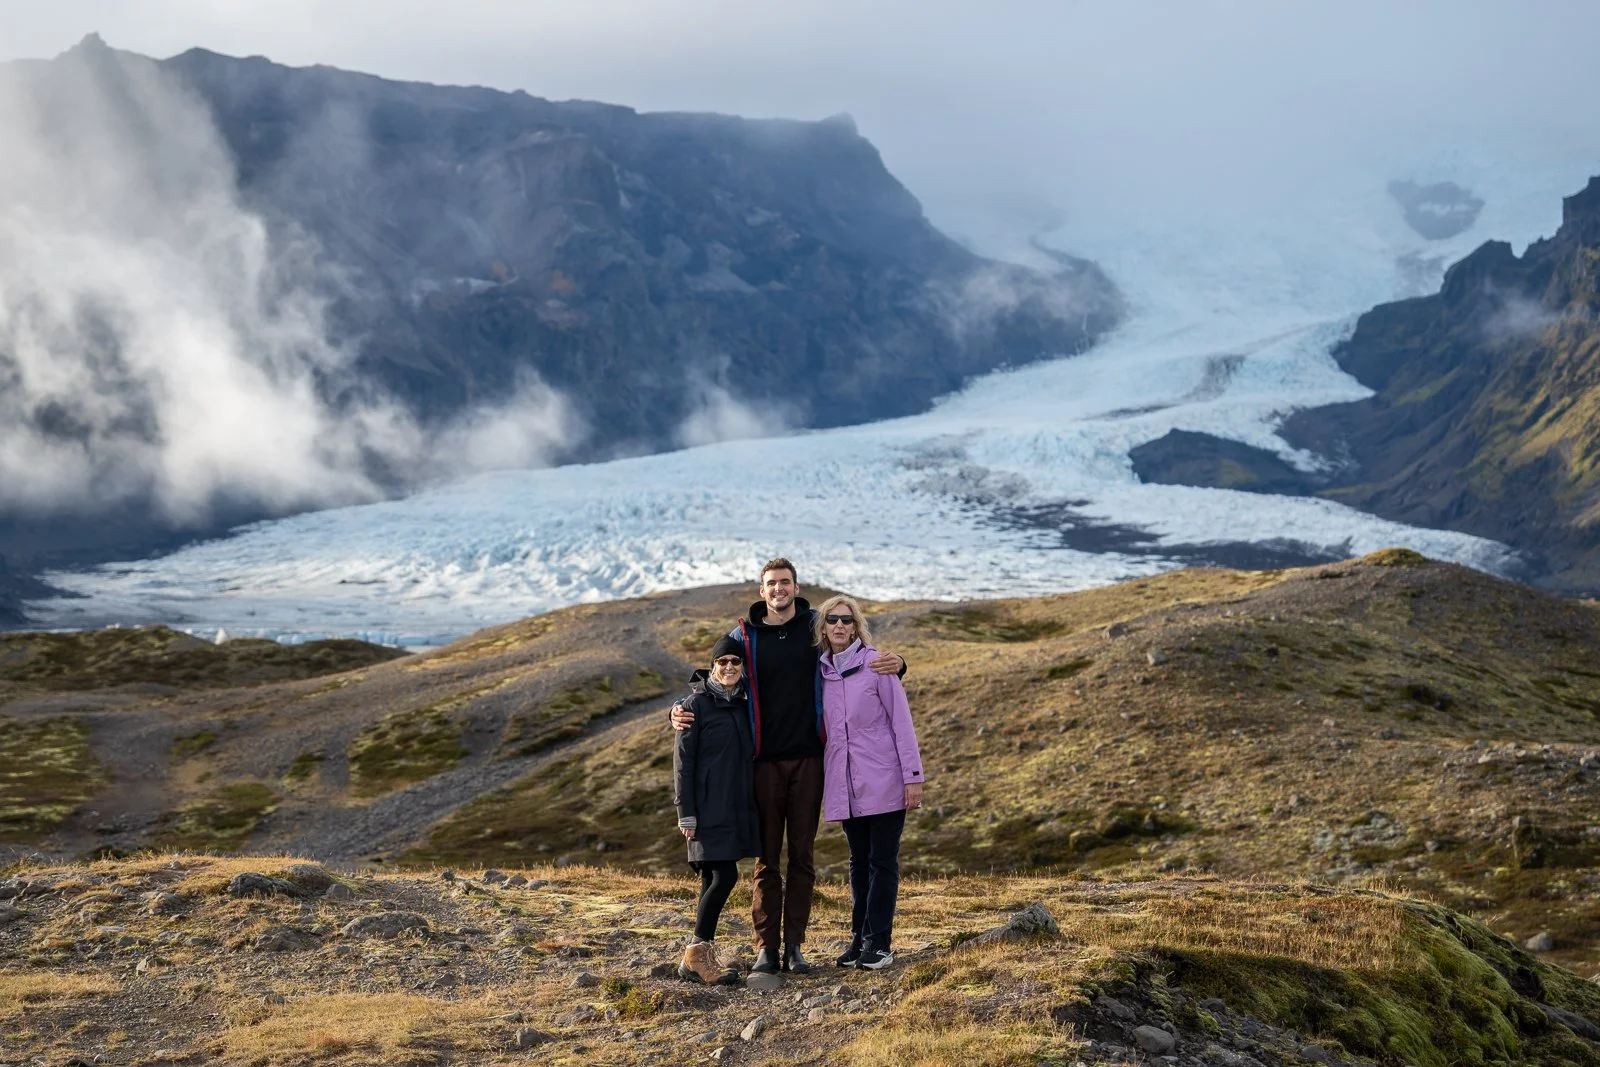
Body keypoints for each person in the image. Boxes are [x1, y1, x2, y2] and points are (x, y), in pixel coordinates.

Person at [670, 557, 904, 975]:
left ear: (796, 587)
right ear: (762, 591)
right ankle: (765, 949)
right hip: (763, 764)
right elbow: (717, 669)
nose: (778, 589)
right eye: (771, 583)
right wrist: (682, 707)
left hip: (809, 762)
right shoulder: (743, 634)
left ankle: (794, 945)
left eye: (785, 582)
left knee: (802, 856)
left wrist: (899, 663)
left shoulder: (815, 625)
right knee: (766, 860)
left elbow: (854, 647)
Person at [815, 593, 923, 970]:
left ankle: (879, 944)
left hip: (886, 781)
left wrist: (913, 778)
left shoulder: (878, 666)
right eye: (832, 620)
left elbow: (902, 725)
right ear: (823, 628)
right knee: (858, 863)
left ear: (856, 625)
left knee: (882, 862)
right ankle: (859, 940)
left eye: (846, 620)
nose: (840, 626)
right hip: (846, 787)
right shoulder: (821, 673)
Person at [672, 634, 760, 985]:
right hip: (706, 808)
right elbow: (683, 763)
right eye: (722, 662)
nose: (728, 667)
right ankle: (696, 952)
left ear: (742, 667)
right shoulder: (694, 707)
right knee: (726, 876)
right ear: (712, 666)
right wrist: (686, 812)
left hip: (735, 806)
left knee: (712, 877)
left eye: (735, 662)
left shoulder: (744, 703)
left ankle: (697, 959)